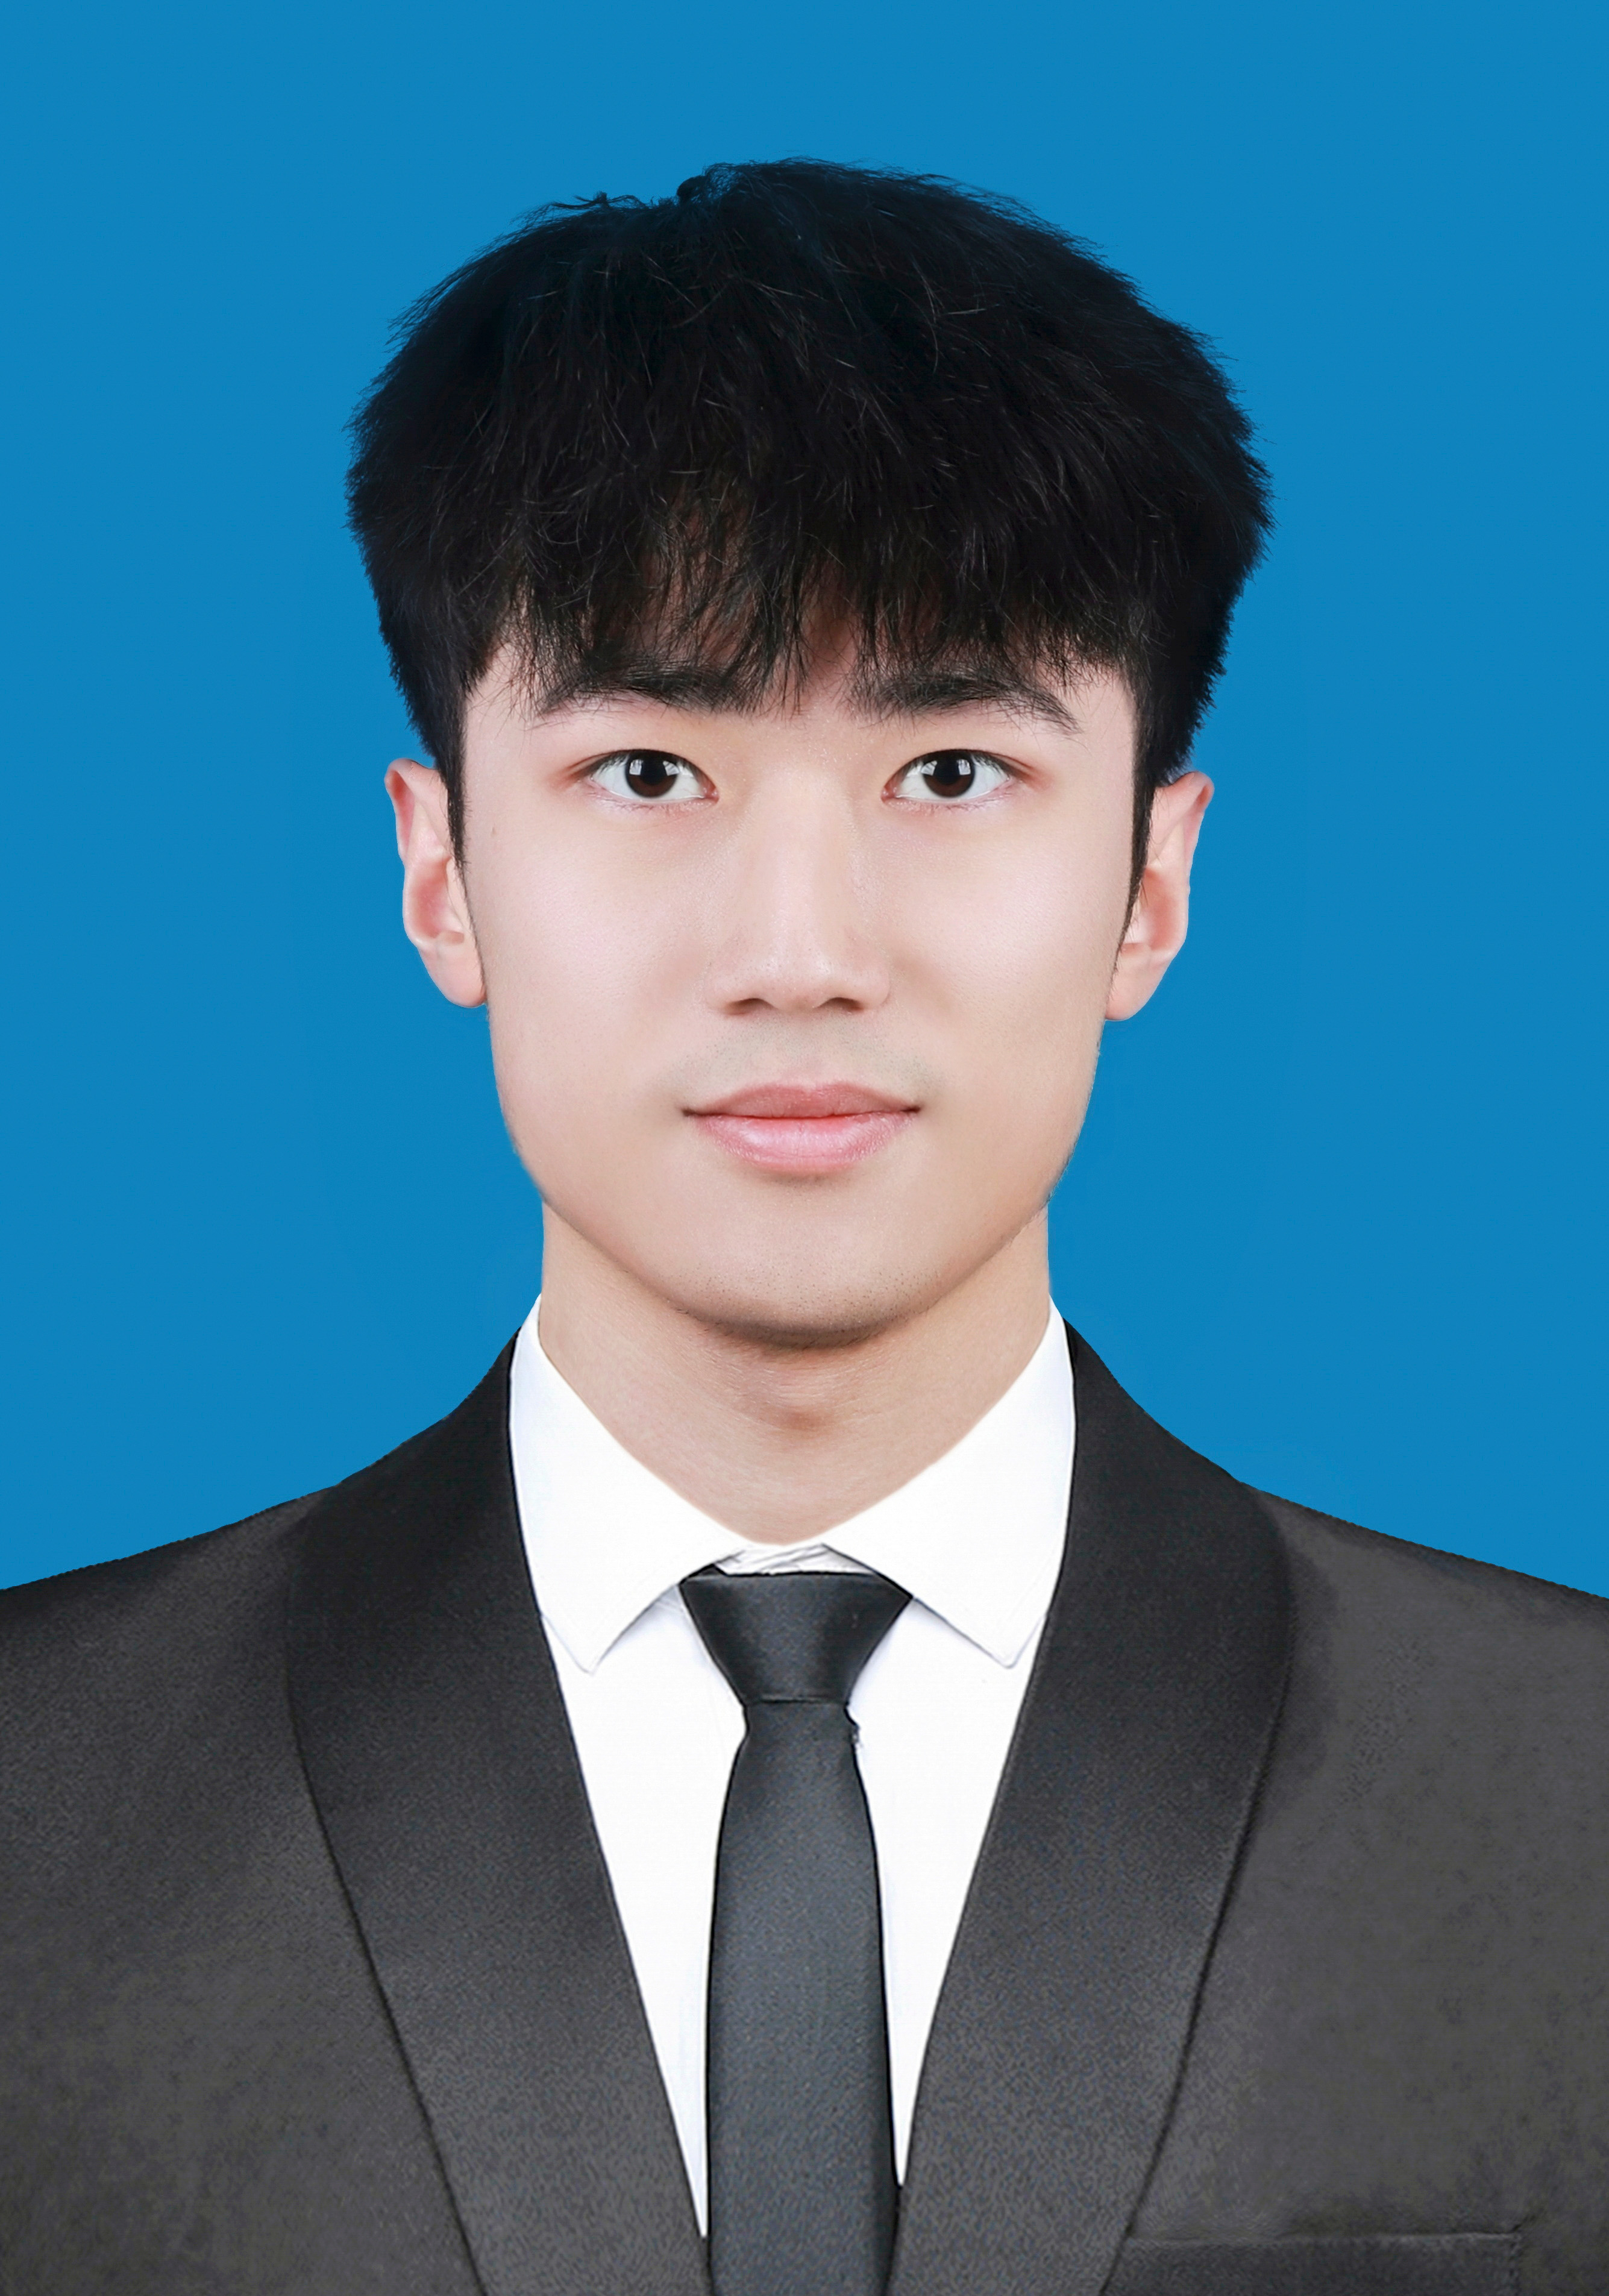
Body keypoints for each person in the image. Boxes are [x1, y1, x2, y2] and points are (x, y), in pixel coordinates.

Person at [1, 160, 1604, 2296]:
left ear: (1152, 884)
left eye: (950, 772)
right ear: (440, 868)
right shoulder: (35, 1798)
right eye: (649, 771)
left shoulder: (1570, 1794)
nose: (799, 953)